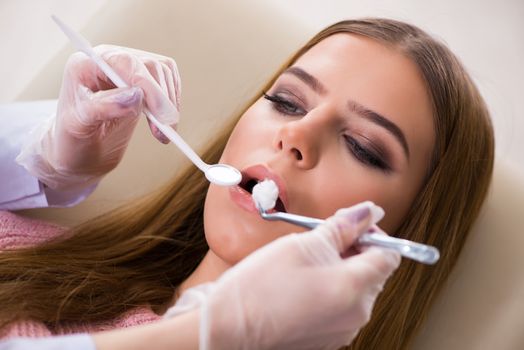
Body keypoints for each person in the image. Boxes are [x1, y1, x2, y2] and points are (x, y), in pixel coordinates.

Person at [0, 18, 494, 350]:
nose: (295, 135)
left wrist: (211, 334)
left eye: (363, 146)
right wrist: (46, 159)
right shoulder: (29, 256)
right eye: (287, 101)